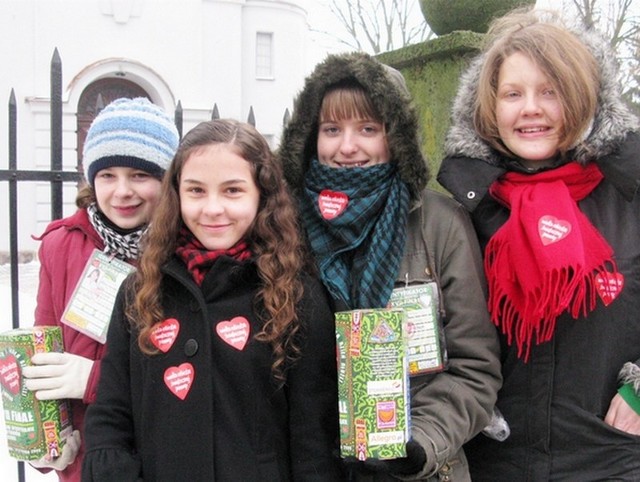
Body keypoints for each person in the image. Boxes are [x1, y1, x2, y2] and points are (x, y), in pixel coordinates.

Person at [277, 51, 502, 481]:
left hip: (418, 467)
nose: (347, 147)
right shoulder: (284, 228)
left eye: (367, 128)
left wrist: (418, 443)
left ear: (394, 135)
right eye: (331, 129)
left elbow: (475, 369)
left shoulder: (440, 224)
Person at [437, 8, 640, 480]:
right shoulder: (464, 211)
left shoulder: (630, 199)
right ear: (490, 107)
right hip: (493, 465)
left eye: (550, 91)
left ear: (583, 97)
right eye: (513, 94)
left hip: (609, 460)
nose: (531, 108)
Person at [81, 118, 342, 481]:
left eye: (233, 190)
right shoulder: (141, 290)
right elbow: (111, 410)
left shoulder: (296, 295)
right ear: (177, 194)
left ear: (261, 195)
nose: (213, 208)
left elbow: (313, 433)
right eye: (196, 191)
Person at [22, 97, 179, 481]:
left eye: (140, 175)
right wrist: (46, 445)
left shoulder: (182, 252)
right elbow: (44, 357)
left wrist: (94, 380)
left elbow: (189, 375)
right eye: (107, 175)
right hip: (85, 465)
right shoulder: (61, 246)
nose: (121, 191)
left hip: (161, 457)